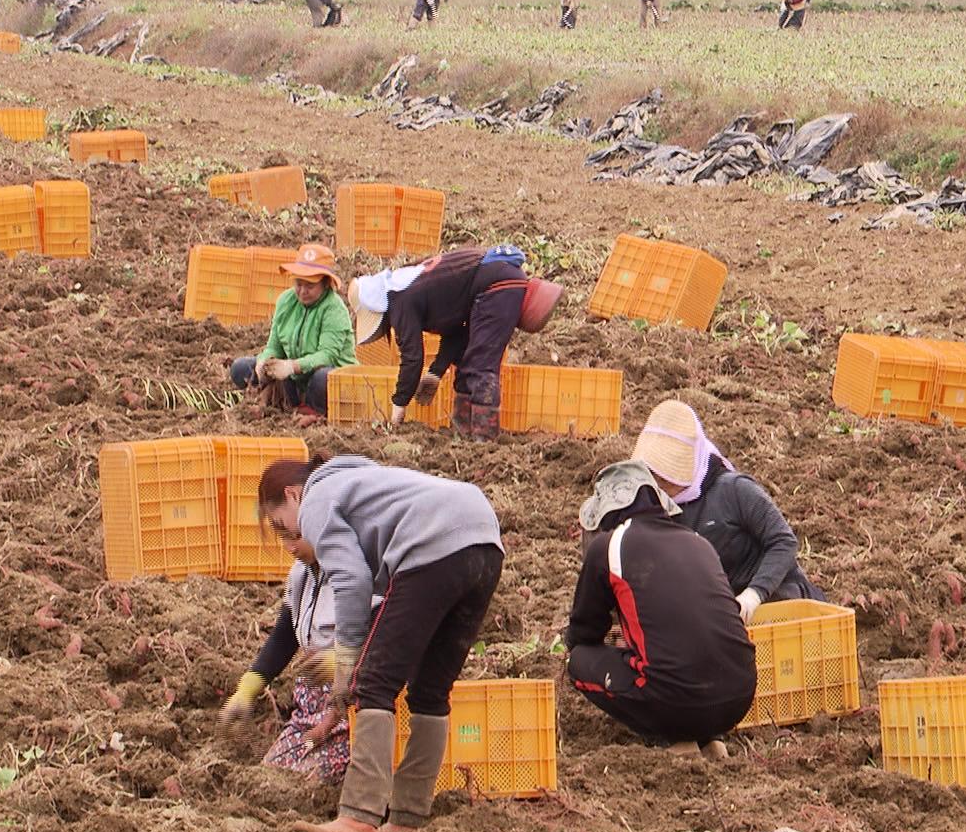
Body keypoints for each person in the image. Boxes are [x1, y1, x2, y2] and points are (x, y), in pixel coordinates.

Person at [260, 454, 504, 832]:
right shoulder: (365, 483)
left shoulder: (318, 499)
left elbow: (352, 582)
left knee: (373, 683)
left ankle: (358, 818)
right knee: (429, 690)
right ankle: (408, 816)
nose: (289, 535)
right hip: (485, 539)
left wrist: (345, 671)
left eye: (281, 523)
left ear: (292, 495)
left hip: (432, 544)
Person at [565, 461, 757, 758]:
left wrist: (618, 644)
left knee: (578, 661)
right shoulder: (698, 542)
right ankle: (709, 738)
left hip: (675, 704)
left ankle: (673, 738)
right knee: (684, 660)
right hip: (739, 697)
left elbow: (583, 634)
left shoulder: (609, 546)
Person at [630, 399, 823, 621]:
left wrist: (754, 593)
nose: (661, 484)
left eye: (667, 477)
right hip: (721, 615)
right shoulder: (657, 505)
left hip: (776, 604)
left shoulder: (734, 490)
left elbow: (784, 541)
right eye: (655, 476)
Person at [350, 245, 563, 440]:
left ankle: (484, 440)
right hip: (496, 280)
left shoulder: (399, 299)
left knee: (480, 366)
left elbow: (412, 358)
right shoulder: (412, 284)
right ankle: (463, 434)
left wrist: (398, 408)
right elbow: (456, 331)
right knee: (465, 363)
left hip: (496, 284)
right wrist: (436, 371)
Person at [218, 559, 356, 784]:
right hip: (309, 709)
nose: (290, 546)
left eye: (295, 535)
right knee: (270, 777)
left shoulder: (360, 570)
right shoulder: (303, 572)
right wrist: (246, 691)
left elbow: (387, 635)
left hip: (352, 711)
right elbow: (284, 635)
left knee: (305, 783)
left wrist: (344, 659)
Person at [229, 243, 356, 421]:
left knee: (323, 378)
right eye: (298, 283)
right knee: (240, 368)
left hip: (330, 378)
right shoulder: (286, 301)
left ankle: (313, 411)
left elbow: (327, 356)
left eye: (310, 286)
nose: (302, 291)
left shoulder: (334, 309)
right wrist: (264, 361)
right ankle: (286, 400)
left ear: (326, 284)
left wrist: (292, 366)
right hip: (295, 379)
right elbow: (274, 346)